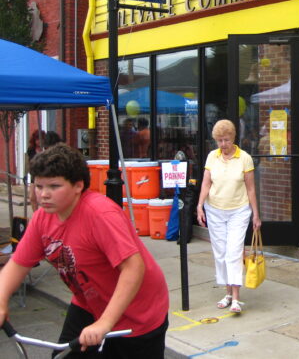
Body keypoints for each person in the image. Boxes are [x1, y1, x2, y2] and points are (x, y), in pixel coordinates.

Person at [0, 143, 169, 358]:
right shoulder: (43, 217)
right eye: (39, 186)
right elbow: (18, 263)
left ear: (78, 186)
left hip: (137, 312)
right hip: (90, 303)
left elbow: (134, 268)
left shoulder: (100, 214)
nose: (43, 195)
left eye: (54, 186)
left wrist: (105, 323)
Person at [197, 119, 262, 314]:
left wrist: (256, 215)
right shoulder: (212, 157)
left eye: (226, 140)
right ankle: (226, 293)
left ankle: (235, 297)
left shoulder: (245, 158)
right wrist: (200, 205)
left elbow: (251, 189)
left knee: (234, 252)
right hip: (215, 209)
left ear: (233, 138)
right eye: (219, 140)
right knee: (221, 252)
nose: (223, 144)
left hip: (239, 210)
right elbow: (206, 184)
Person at [28, 130, 62, 212]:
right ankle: (36, 214)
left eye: (40, 139)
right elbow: (29, 163)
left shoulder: (47, 150)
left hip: (46, 174)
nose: (39, 141)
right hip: (35, 174)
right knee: (32, 196)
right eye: (37, 139)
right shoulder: (31, 150)